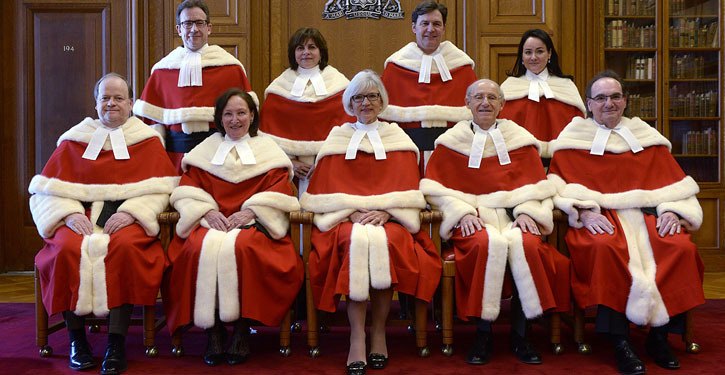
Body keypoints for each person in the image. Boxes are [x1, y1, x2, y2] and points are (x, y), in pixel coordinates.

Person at [548, 70, 705, 374]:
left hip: (649, 215)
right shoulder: (573, 139)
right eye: (602, 98)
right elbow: (557, 185)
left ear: (625, 101)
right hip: (601, 217)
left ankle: (659, 337)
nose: (609, 103)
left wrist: (673, 210)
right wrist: (581, 211)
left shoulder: (646, 136)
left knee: (679, 248)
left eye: (616, 96)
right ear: (589, 104)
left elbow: (677, 184)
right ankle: (619, 340)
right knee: (605, 249)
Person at [29, 73, 178, 375]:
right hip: (78, 217)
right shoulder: (74, 139)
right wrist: (68, 214)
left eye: (118, 98)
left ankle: (115, 342)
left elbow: (162, 189)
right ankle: (77, 341)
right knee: (66, 250)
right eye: (105, 98)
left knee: (123, 249)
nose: (111, 103)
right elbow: (45, 189)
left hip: (126, 217)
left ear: (131, 103)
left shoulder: (147, 141)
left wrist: (134, 212)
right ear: (95, 103)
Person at [420, 79, 571, 366]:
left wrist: (527, 210)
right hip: (473, 218)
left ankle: (521, 333)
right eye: (479, 97)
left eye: (492, 97)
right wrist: (461, 211)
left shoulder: (521, 140)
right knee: (481, 244)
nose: (485, 103)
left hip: (514, 217)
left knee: (527, 245)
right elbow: (435, 190)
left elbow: (538, 187)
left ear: (502, 105)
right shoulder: (451, 142)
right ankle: (483, 333)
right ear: (467, 103)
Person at [300, 70, 442, 375]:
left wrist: (389, 212)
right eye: (359, 97)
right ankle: (356, 335)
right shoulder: (337, 137)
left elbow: (410, 190)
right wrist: (348, 212)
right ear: (350, 103)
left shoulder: (398, 138)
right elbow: (322, 193)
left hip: (391, 220)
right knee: (353, 244)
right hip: (343, 222)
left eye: (372, 96)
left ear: (382, 101)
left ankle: (378, 331)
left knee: (388, 242)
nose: (366, 102)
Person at [163, 89, 304, 366]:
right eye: (228, 114)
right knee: (193, 248)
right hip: (209, 222)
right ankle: (212, 330)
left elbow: (281, 192)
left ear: (252, 116)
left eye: (241, 113)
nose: (235, 119)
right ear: (219, 118)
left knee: (246, 247)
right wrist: (206, 212)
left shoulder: (268, 150)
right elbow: (187, 189)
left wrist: (253, 211)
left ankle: (241, 330)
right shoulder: (203, 152)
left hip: (255, 225)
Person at [133, 0, 255, 172]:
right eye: (188, 23)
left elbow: (247, 119)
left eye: (199, 23)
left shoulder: (231, 68)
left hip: (220, 157)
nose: (194, 29)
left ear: (209, 28)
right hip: (173, 158)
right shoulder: (162, 71)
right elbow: (151, 124)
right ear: (179, 29)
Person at [380, 0, 477, 172]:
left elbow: (477, 117)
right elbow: (380, 120)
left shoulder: (462, 68)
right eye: (425, 23)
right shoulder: (395, 68)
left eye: (436, 24)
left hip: (453, 157)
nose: (430, 29)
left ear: (443, 28)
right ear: (414, 27)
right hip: (407, 157)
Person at [259, 27, 354, 192]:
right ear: (293, 52)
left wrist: (324, 163)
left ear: (321, 51)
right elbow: (267, 137)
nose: (306, 52)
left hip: (330, 167)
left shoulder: (340, 85)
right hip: (290, 171)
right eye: (300, 48)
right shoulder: (279, 88)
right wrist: (290, 163)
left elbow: (348, 132)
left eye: (312, 47)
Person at [500, 29, 586, 158]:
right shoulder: (509, 86)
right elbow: (501, 127)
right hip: (518, 156)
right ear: (522, 56)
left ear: (549, 53)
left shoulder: (566, 85)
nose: (533, 57)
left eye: (539, 51)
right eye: (528, 52)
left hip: (562, 157)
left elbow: (578, 127)